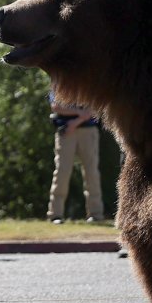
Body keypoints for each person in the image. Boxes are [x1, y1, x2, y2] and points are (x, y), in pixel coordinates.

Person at [46, 93, 105, 223]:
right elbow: (56, 106)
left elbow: (94, 108)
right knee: (62, 171)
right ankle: (55, 214)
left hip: (88, 131)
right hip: (66, 132)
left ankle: (95, 214)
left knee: (91, 172)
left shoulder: (88, 84)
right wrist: (78, 113)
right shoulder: (59, 84)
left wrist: (75, 122)